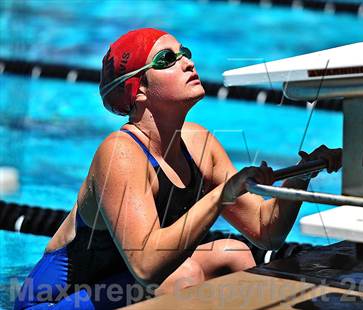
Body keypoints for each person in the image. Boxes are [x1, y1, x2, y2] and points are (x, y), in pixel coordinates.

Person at [14, 28, 342, 309]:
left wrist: (302, 174)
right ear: (138, 89)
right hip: (54, 301)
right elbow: (147, 267)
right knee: (182, 277)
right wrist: (220, 198)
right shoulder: (121, 153)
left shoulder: (199, 144)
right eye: (167, 60)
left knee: (233, 252)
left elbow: (266, 232)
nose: (188, 62)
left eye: (184, 53)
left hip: (118, 289)